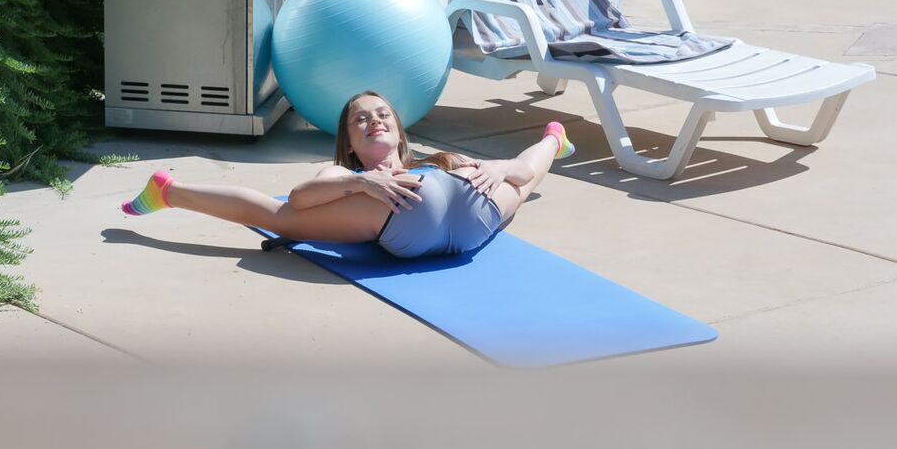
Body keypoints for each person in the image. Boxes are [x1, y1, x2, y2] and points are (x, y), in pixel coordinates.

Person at [120, 90, 575, 258]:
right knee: (279, 215)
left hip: (473, 214)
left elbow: (517, 177)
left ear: (399, 133)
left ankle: (554, 138)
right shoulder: (341, 171)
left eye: (383, 115)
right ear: (351, 145)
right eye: (361, 119)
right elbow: (299, 198)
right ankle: (169, 190)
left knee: (524, 176)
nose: (374, 120)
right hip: (404, 215)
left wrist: (498, 166)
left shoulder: (432, 161)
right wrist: (361, 180)